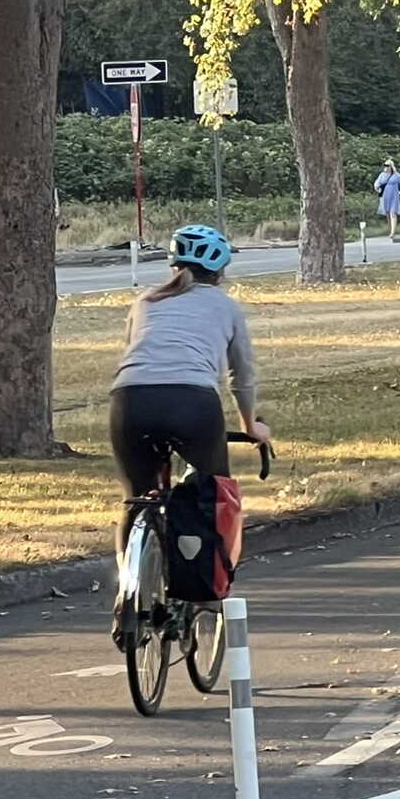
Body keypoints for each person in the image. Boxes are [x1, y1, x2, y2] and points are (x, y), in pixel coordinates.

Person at [108, 225, 271, 641]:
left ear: (173, 263)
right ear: (221, 270)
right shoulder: (226, 306)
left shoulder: (145, 300)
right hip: (192, 403)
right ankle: (202, 591)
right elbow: (243, 376)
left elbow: (134, 352)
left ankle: (128, 596)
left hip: (129, 401)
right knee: (212, 495)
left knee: (136, 498)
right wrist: (251, 423)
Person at [374, 158, 400, 241]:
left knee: (393, 213)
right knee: (388, 213)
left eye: (388, 165)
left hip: (394, 196)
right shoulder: (382, 175)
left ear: (391, 166)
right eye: (385, 165)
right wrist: (378, 189)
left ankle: (393, 232)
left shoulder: (396, 175)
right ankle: (390, 229)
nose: (386, 167)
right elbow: (376, 184)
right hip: (385, 197)